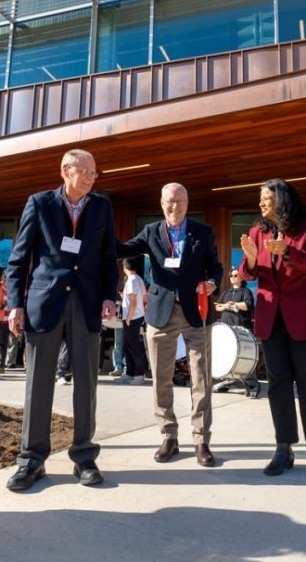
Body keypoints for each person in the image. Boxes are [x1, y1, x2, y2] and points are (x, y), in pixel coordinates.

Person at [5, 148, 118, 491]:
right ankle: (31, 460)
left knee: (86, 383)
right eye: (86, 172)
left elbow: (108, 257)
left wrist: (109, 296)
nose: (91, 179)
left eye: (94, 174)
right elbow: (18, 259)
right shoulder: (39, 203)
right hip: (45, 304)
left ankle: (84, 457)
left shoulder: (101, 207)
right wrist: (15, 304)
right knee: (38, 384)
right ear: (66, 170)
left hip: (87, 304)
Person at [117, 183, 223, 467]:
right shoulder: (151, 231)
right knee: (161, 379)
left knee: (201, 378)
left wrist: (213, 282)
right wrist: (97, 235)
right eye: (169, 201)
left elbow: (215, 266)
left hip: (196, 312)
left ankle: (201, 439)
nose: (174, 206)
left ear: (187, 203)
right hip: (160, 313)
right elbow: (123, 249)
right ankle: (169, 436)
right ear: (161, 203)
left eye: (179, 201)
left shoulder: (203, 232)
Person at [239, 178, 306, 478]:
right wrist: (250, 260)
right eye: (260, 198)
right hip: (272, 318)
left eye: (266, 197)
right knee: (278, 383)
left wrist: (288, 252)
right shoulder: (258, 232)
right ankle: (284, 448)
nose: (261, 203)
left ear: (282, 199)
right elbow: (248, 273)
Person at [115, 256, 149, 385]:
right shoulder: (138, 279)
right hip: (134, 316)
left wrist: (128, 318)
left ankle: (138, 374)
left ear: (125, 267)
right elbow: (143, 298)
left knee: (133, 346)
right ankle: (130, 372)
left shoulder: (133, 280)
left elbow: (133, 302)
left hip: (133, 317)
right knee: (128, 345)